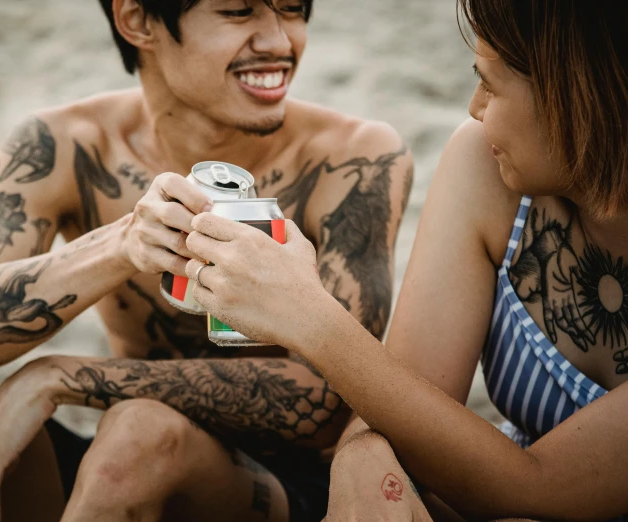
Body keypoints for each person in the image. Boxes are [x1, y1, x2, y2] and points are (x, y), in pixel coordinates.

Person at [0, 1, 414, 521]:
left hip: (281, 492)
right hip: (115, 477)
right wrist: (122, 245)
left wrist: (57, 376)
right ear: (138, 20)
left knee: (139, 432)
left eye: (292, 10)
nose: (280, 41)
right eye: (239, 11)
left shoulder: (354, 156)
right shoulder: (64, 143)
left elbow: (328, 397)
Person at [183, 0, 628, 520]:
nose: (474, 107)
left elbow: (542, 487)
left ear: (579, 96)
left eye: (491, 84)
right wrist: (363, 455)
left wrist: (306, 315)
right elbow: (406, 396)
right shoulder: (488, 166)